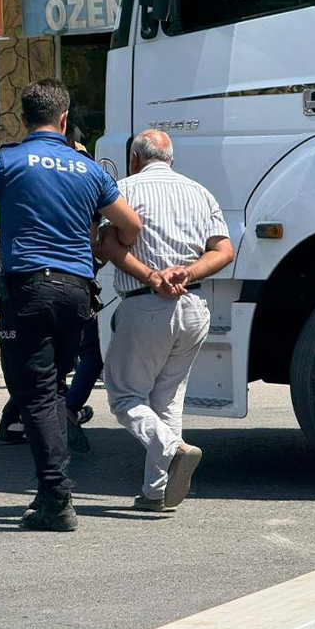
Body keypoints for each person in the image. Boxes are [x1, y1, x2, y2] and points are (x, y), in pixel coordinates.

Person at [0, 78, 142, 531]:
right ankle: (50, 493)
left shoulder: (7, 160)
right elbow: (131, 224)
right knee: (52, 392)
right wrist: (108, 242)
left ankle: (55, 498)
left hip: (29, 291)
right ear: (64, 118)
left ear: (22, 118)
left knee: (36, 397)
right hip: (76, 294)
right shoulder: (88, 168)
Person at [95, 129, 234, 512]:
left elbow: (108, 245)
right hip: (194, 306)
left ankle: (173, 450)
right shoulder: (199, 191)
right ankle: (156, 492)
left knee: (126, 397)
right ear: (171, 160)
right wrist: (186, 273)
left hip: (145, 305)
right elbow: (224, 250)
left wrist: (152, 276)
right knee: (168, 399)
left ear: (135, 159)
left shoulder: (124, 189)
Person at [0, 197, 103, 452]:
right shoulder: (70, 189)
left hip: (21, 282)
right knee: (67, 358)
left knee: (33, 357)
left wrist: (1, 249)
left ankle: (19, 420)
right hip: (66, 283)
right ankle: (59, 414)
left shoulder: (16, 184)